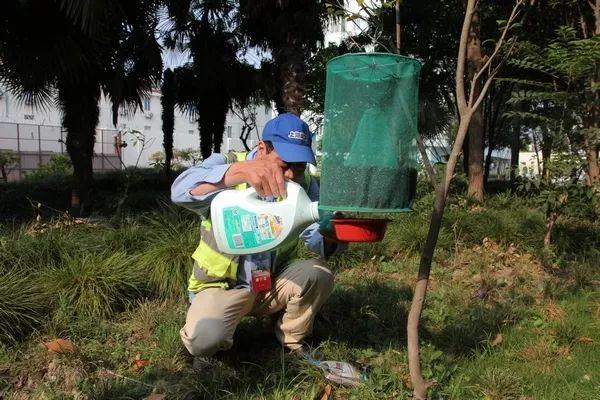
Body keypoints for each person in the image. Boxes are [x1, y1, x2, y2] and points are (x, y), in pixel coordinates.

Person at [171, 112, 344, 364]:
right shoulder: (228, 164)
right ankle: (212, 345)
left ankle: (291, 339)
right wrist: (239, 172)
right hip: (223, 287)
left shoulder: (303, 184)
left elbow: (317, 239)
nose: (291, 176)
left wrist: (335, 232)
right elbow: (180, 191)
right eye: (285, 165)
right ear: (262, 148)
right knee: (203, 339)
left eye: (299, 166)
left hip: (271, 284)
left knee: (319, 274)